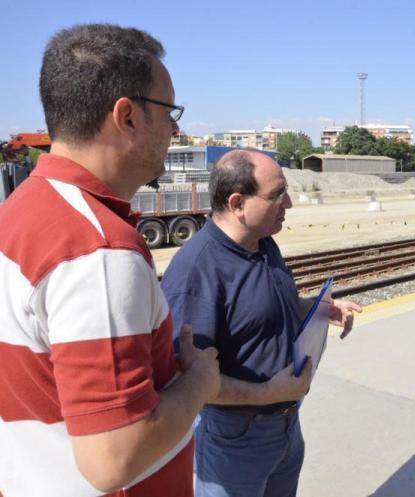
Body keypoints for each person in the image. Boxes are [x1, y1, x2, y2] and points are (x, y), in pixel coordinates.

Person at [0, 24, 220, 496]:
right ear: (127, 117)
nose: (175, 129)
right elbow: (114, 458)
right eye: (169, 111)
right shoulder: (96, 252)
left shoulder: (22, 209)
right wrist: (200, 381)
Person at [161, 149, 362, 497]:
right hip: (235, 440)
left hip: (284, 425)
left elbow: (266, 308)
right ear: (237, 203)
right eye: (277, 195)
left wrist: (317, 309)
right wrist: (269, 392)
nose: (288, 205)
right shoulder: (198, 271)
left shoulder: (263, 244)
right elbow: (185, 380)